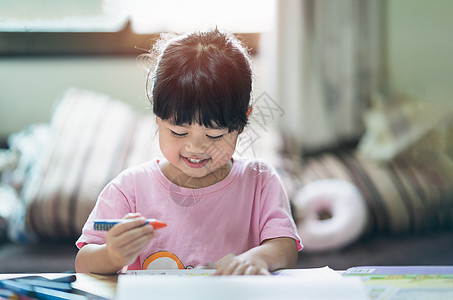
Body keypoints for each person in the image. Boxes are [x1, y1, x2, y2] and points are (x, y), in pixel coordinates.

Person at [74, 28, 301, 275]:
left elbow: (285, 246)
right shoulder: (129, 189)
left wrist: (259, 257)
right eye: (179, 133)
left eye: (214, 136)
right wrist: (112, 255)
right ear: (157, 116)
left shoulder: (260, 181)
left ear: (243, 122)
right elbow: (83, 262)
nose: (196, 148)